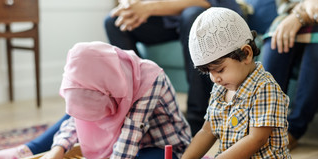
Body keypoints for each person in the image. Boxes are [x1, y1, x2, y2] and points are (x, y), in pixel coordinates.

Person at [171, 8, 318, 159]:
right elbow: (207, 130)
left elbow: (257, 139)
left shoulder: (264, 88)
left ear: (246, 53)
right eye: (208, 72)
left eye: (219, 69)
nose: (214, 78)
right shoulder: (220, 89)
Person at [0, 41, 192, 159]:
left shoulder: (150, 79)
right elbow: (78, 118)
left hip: (163, 147)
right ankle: (29, 150)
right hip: (126, 143)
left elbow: (131, 134)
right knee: (77, 114)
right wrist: (59, 148)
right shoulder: (88, 78)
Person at [104, 0, 243, 135]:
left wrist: (149, 7)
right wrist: (130, 6)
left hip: (206, 14)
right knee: (114, 21)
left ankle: (197, 119)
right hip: (168, 18)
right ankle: (143, 111)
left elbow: (205, 2)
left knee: (192, 14)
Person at [261, 0, 318, 150]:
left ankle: (293, 129)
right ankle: (263, 126)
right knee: (275, 43)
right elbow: (283, 5)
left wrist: (302, 16)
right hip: (290, 17)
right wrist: (305, 8)